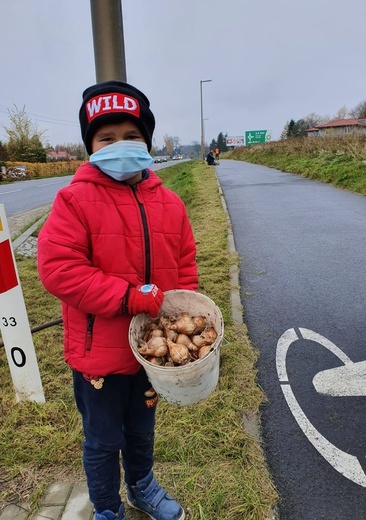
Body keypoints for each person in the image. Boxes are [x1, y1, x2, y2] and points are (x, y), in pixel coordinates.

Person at [37, 80, 198, 520]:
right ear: (91, 145)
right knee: (103, 439)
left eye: (131, 136)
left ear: (148, 141)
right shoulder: (73, 199)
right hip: (99, 355)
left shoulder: (170, 203)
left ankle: (142, 487)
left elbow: (184, 264)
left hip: (152, 354)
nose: (120, 145)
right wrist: (129, 297)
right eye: (106, 138)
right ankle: (107, 507)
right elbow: (59, 270)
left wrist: (186, 311)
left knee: (142, 430)